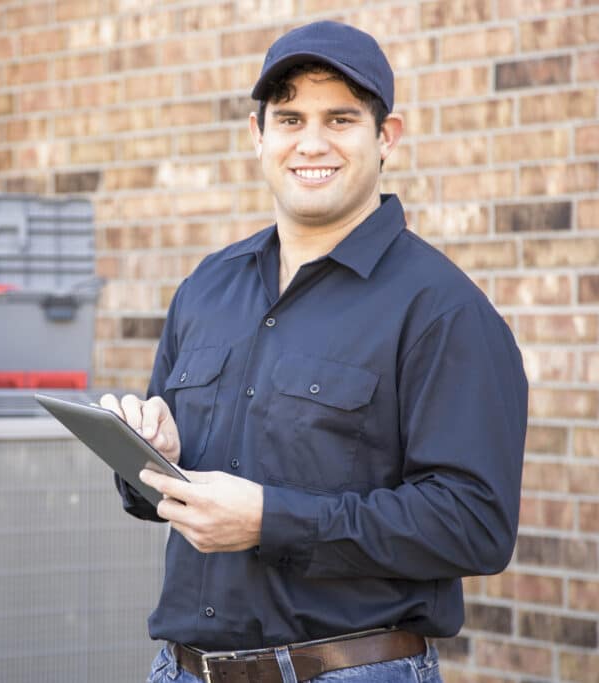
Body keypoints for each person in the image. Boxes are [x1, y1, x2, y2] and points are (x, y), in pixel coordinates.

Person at [101, 20, 528, 683]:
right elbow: (164, 486)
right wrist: (152, 457)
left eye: (340, 119)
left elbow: (474, 522)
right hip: (181, 669)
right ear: (257, 135)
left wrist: (273, 521)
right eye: (291, 118)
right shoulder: (206, 287)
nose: (312, 142)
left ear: (387, 138)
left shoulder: (441, 309)